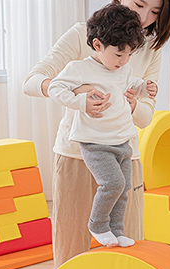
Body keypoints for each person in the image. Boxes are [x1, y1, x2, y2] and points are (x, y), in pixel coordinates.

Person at [23, 0, 170, 269]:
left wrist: (134, 100)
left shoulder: (148, 48)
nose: (144, 17)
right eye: (139, 4)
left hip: (124, 155)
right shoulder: (82, 35)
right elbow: (32, 81)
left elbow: (144, 116)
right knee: (72, 251)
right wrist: (79, 94)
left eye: (155, 12)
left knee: (131, 253)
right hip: (75, 156)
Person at [48, 4, 157, 249]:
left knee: (124, 189)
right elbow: (55, 87)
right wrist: (80, 101)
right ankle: (98, 225)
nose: (125, 60)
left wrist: (146, 87)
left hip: (121, 140)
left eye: (130, 54)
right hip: (95, 143)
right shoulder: (80, 68)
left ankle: (116, 231)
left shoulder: (123, 67)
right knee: (113, 184)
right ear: (98, 45)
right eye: (119, 54)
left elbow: (134, 81)